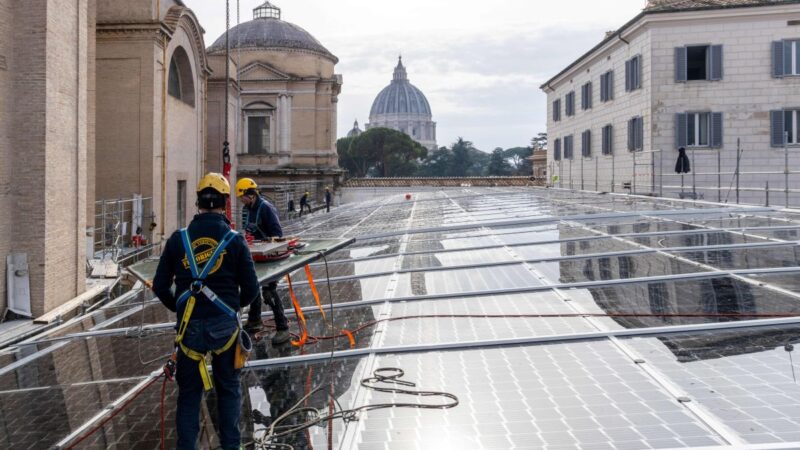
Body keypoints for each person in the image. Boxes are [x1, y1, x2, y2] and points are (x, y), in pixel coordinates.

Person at [152, 173, 260, 450]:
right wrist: (233, 306)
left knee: (189, 395)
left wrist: (180, 307)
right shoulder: (235, 241)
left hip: (189, 328)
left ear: (198, 201)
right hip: (225, 327)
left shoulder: (179, 240)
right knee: (228, 390)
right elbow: (251, 289)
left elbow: (160, 285)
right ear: (225, 203)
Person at [235, 178, 291, 345]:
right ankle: (254, 320)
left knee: (269, 291)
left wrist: (265, 243)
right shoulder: (248, 209)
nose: (241, 201)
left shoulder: (266, 208)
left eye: (242, 197)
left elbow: (278, 235)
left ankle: (283, 327)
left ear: (251, 194)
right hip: (256, 256)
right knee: (252, 286)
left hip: (270, 256)